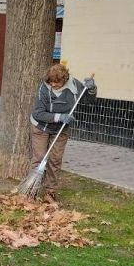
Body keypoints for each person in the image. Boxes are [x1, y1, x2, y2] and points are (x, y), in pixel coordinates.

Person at [29, 63, 97, 201]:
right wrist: (59, 117)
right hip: (41, 127)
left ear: (64, 80)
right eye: (51, 82)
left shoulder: (74, 86)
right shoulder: (44, 88)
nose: (53, 85)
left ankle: (50, 192)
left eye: (56, 82)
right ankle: (32, 190)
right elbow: (38, 113)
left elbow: (89, 100)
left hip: (61, 129)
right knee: (40, 158)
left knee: (55, 160)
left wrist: (91, 89)